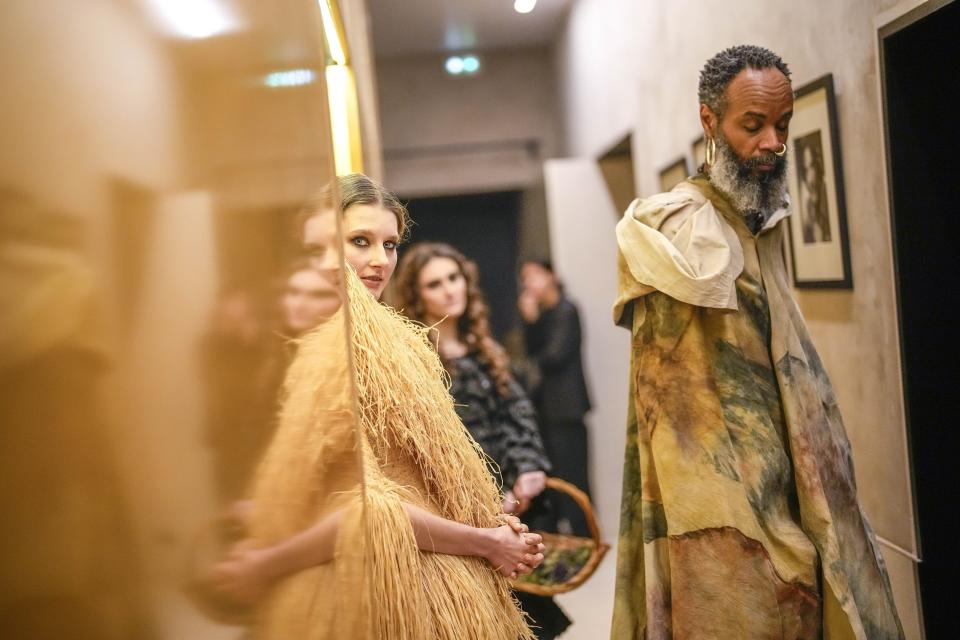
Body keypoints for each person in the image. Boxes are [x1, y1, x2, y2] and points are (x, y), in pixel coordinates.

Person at [611, 46, 903, 639]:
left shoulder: (751, 217)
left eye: (784, 125)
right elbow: (675, 414)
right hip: (722, 519)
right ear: (709, 121)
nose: (773, 142)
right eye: (753, 125)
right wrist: (754, 534)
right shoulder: (680, 232)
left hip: (789, 490)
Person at [204, 174, 544, 639]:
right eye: (360, 241)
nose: (380, 261)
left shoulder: (382, 346)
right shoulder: (345, 352)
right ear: (318, 249)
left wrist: (492, 531)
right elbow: (367, 508)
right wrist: (488, 541)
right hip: (390, 587)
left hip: (419, 581)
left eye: (390, 243)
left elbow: (394, 497)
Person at [395, 242, 572, 640]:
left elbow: (519, 415)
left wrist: (528, 467)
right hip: (468, 513)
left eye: (454, 278)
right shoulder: (418, 362)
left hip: (518, 503)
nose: (448, 290)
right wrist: (491, 499)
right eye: (434, 284)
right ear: (416, 295)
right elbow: (442, 447)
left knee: (534, 617)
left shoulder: (484, 348)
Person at [518, 258, 593, 536]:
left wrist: (534, 323)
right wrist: (530, 322)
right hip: (546, 408)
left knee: (574, 476)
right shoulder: (544, 314)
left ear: (552, 277)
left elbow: (553, 356)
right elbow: (531, 352)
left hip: (568, 407)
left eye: (534, 274)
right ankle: (564, 539)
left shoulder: (566, 310)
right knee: (554, 477)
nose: (529, 283)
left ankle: (585, 538)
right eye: (525, 277)